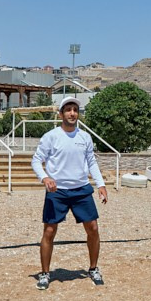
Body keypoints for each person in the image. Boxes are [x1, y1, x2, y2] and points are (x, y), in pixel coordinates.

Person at [31, 97, 108, 290]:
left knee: (93, 228)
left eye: (75, 110)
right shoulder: (51, 136)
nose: (72, 113)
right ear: (61, 114)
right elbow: (36, 160)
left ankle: (93, 268)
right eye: (68, 110)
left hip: (82, 189)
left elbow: (91, 162)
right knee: (49, 231)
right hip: (57, 190)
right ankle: (45, 273)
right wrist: (45, 178)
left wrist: (101, 184)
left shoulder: (85, 137)